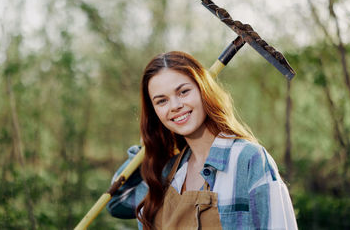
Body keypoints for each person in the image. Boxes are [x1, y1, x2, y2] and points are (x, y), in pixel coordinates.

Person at [107, 51, 298, 229]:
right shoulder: (168, 172)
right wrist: (148, 148)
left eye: (183, 91)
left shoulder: (248, 160)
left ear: (203, 91)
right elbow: (116, 202)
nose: (175, 106)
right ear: (155, 112)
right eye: (161, 101)